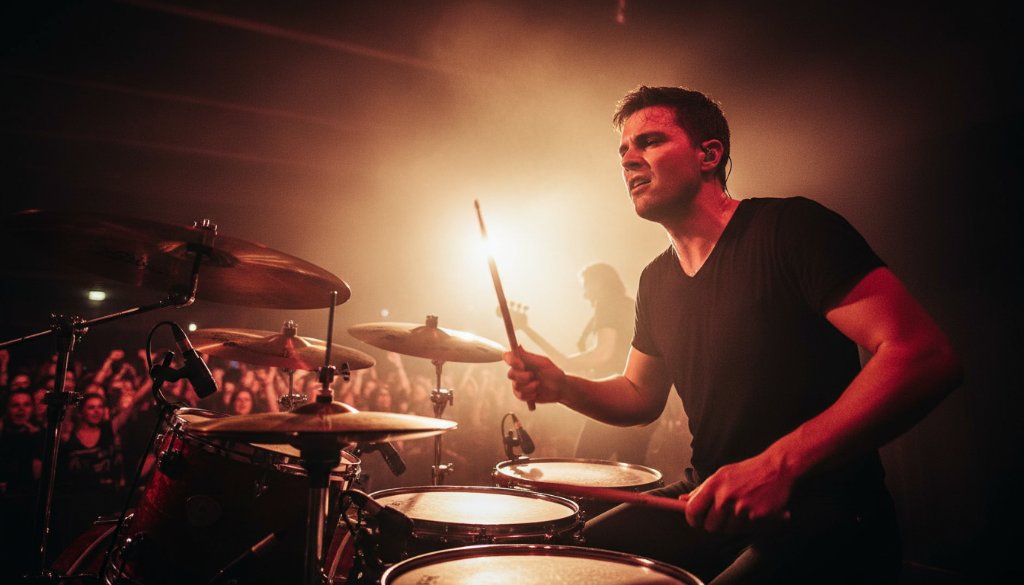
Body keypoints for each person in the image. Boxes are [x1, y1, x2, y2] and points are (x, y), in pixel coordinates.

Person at [503, 85, 962, 584]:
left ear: (709, 154)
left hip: (824, 511)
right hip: (710, 499)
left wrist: (778, 466)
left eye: (650, 142)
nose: (629, 161)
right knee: (565, 565)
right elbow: (639, 396)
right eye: (623, 151)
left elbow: (921, 354)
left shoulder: (791, 230)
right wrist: (564, 386)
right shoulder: (656, 280)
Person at [510, 262, 658, 464]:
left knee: (585, 467)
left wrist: (565, 372)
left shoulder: (607, 304)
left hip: (614, 398)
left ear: (600, 284)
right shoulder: (628, 304)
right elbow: (565, 362)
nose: (585, 295)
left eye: (587, 286)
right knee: (633, 473)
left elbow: (602, 354)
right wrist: (527, 330)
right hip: (641, 404)